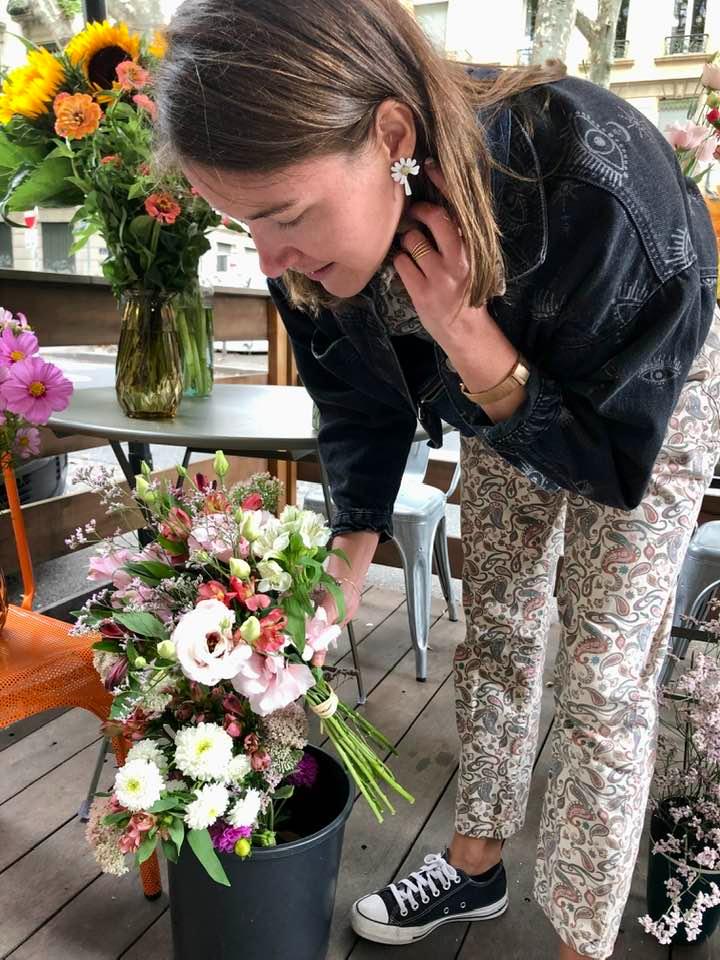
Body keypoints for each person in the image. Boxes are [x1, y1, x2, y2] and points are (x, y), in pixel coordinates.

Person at [155, 1, 720, 957]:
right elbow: (357, 399)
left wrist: (468, 336)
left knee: (603, 676)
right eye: (242, 224)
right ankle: (474, 866)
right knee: (496, 631)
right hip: (488, 390)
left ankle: (583, 941)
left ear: (392, 135)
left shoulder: (589, 173)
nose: (269, 257)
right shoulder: (300, 246)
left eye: (285, 216)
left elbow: (615, 464)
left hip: (644, 403)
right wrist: (348, 546)